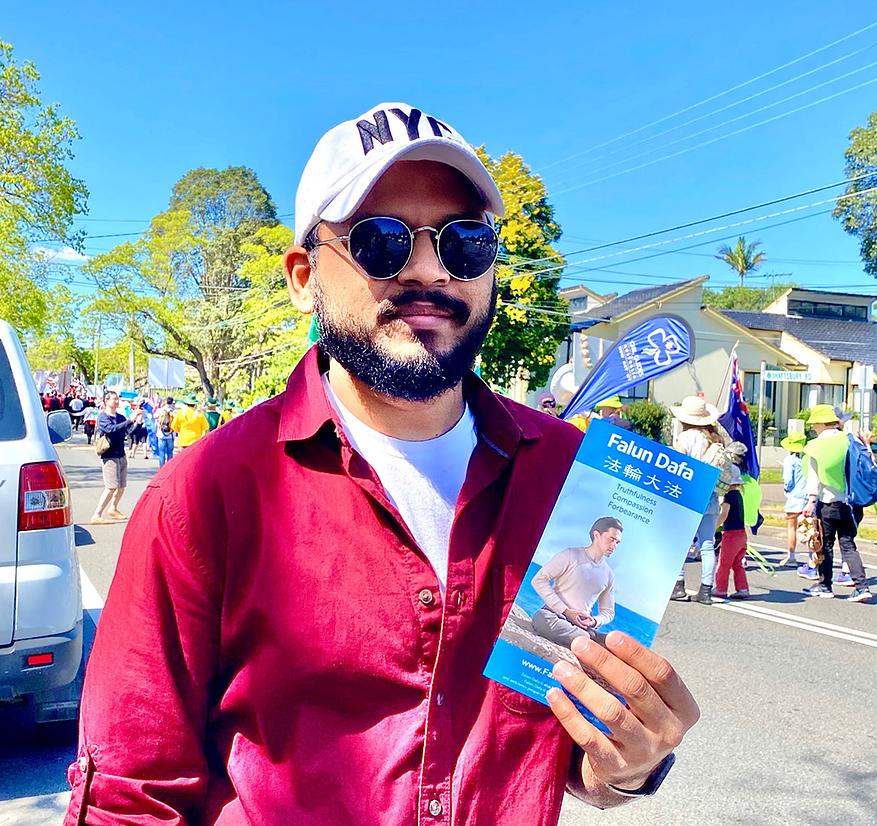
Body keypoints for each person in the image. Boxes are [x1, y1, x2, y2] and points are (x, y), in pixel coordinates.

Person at [68, 102, 698, 825]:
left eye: (464, 243)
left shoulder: (571, 478)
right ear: (304, 276)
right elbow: (130, 797)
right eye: (381, 241)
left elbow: (558, 758)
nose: (429, 269)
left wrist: (627, 767)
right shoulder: (205, 494)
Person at [802, 404, 872, 603]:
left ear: (823, 424)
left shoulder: (815, 446)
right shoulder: (850, 441)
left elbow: (814, 478)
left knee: (825, 545)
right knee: (848, 545)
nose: (814, 427)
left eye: (815, 423)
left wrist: (810, 501)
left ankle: (825, 585)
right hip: (851, 504)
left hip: (828, 503)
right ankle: (861, 586)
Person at [530, 516, 621, 648]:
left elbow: (608, 612)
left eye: (617, 542)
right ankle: (591, 638)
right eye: (611, 539)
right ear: (597, 535)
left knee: (581, 634)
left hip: (582, 625)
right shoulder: (570, 555)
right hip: (554, 615)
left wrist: (595, 621)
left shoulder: (609, 574)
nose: (614, 546)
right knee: (540, 618)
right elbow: (539, 580)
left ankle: (586, 636)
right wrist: (566, 611)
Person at [670, 395, 724, 605]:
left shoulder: (685, 438)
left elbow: (679, 465)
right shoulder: (714, 439)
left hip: (689, 495)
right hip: (710, 496)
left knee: (680, 543)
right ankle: (706, 591)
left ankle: (678, 586)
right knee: (707, 545)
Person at [89, 390, 143, 524]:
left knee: (121, 485)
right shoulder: (103, 417)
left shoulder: (120, 416)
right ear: (106, 401)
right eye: (114, 399)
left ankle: (113, 508)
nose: (117, 401)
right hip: (109, 455)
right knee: (111, 486)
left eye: (117, 399)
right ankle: (97, 514)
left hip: (121, 454)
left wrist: (137, 423)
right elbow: (111, 429)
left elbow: (128, 432)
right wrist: (130, 420)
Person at [713, 459, 750, 600]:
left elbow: (724, 514)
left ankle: (721, 589)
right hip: (741, 534)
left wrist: (714, 526)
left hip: (731, 535)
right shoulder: (738, 495)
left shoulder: (729, 496)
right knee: (737, 563)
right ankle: (743, 588)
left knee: (724, 562)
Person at [780, 432, 808, 568]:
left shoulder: (789, 460)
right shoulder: (806, 459)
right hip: (808, 497)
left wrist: (787, 490)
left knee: (792, 527)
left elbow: (788, 481)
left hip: (795, 497)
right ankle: (812, 558)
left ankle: (791, 556)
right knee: (809, 528)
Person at [155, 397, 177, 467]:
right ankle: (169, 468)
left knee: (161, 453)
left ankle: (162, 469)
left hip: (161, 434)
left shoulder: (160, 410)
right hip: (171, 435)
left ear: (165, 402)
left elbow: (154, 416)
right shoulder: (174, 411)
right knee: (170, 453)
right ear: (172, 402)